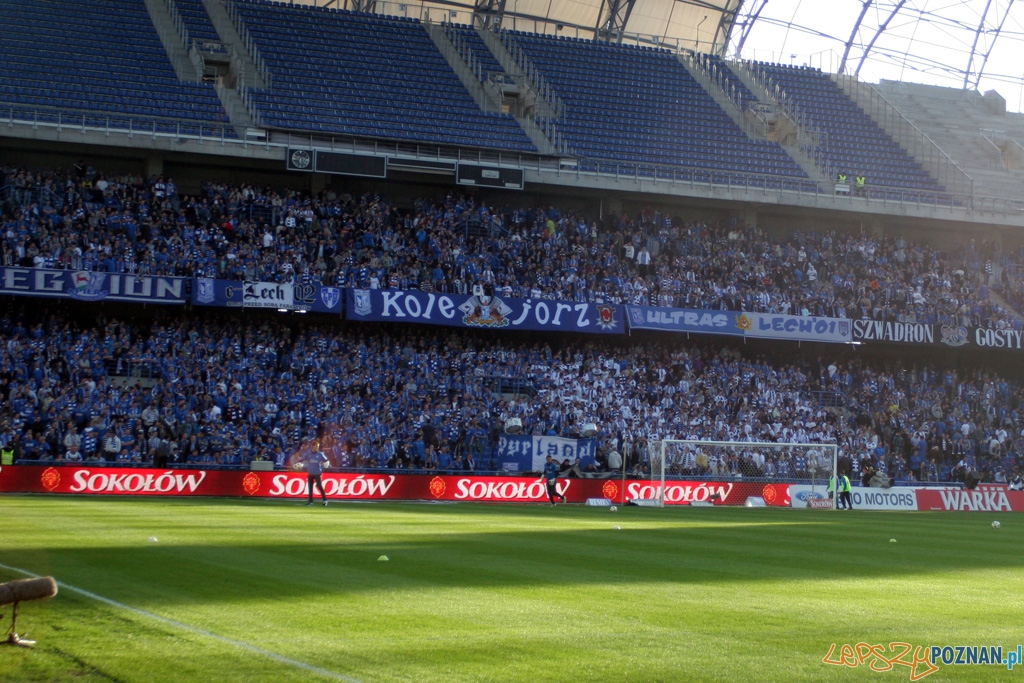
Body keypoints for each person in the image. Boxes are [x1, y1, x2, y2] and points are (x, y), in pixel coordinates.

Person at [301, 441, 330, 506]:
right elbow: (302, 459)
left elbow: (326, 460)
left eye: (318, 447)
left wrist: (327, 463)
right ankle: (311, 502)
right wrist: (298, 463)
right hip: (310, 473)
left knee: (319, 486)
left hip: (317, 473)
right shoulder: (308, 454)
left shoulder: (320, 454)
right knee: (310, 487)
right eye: (316, 446)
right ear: (312, 446)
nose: (317, 448)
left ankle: (325, 500)